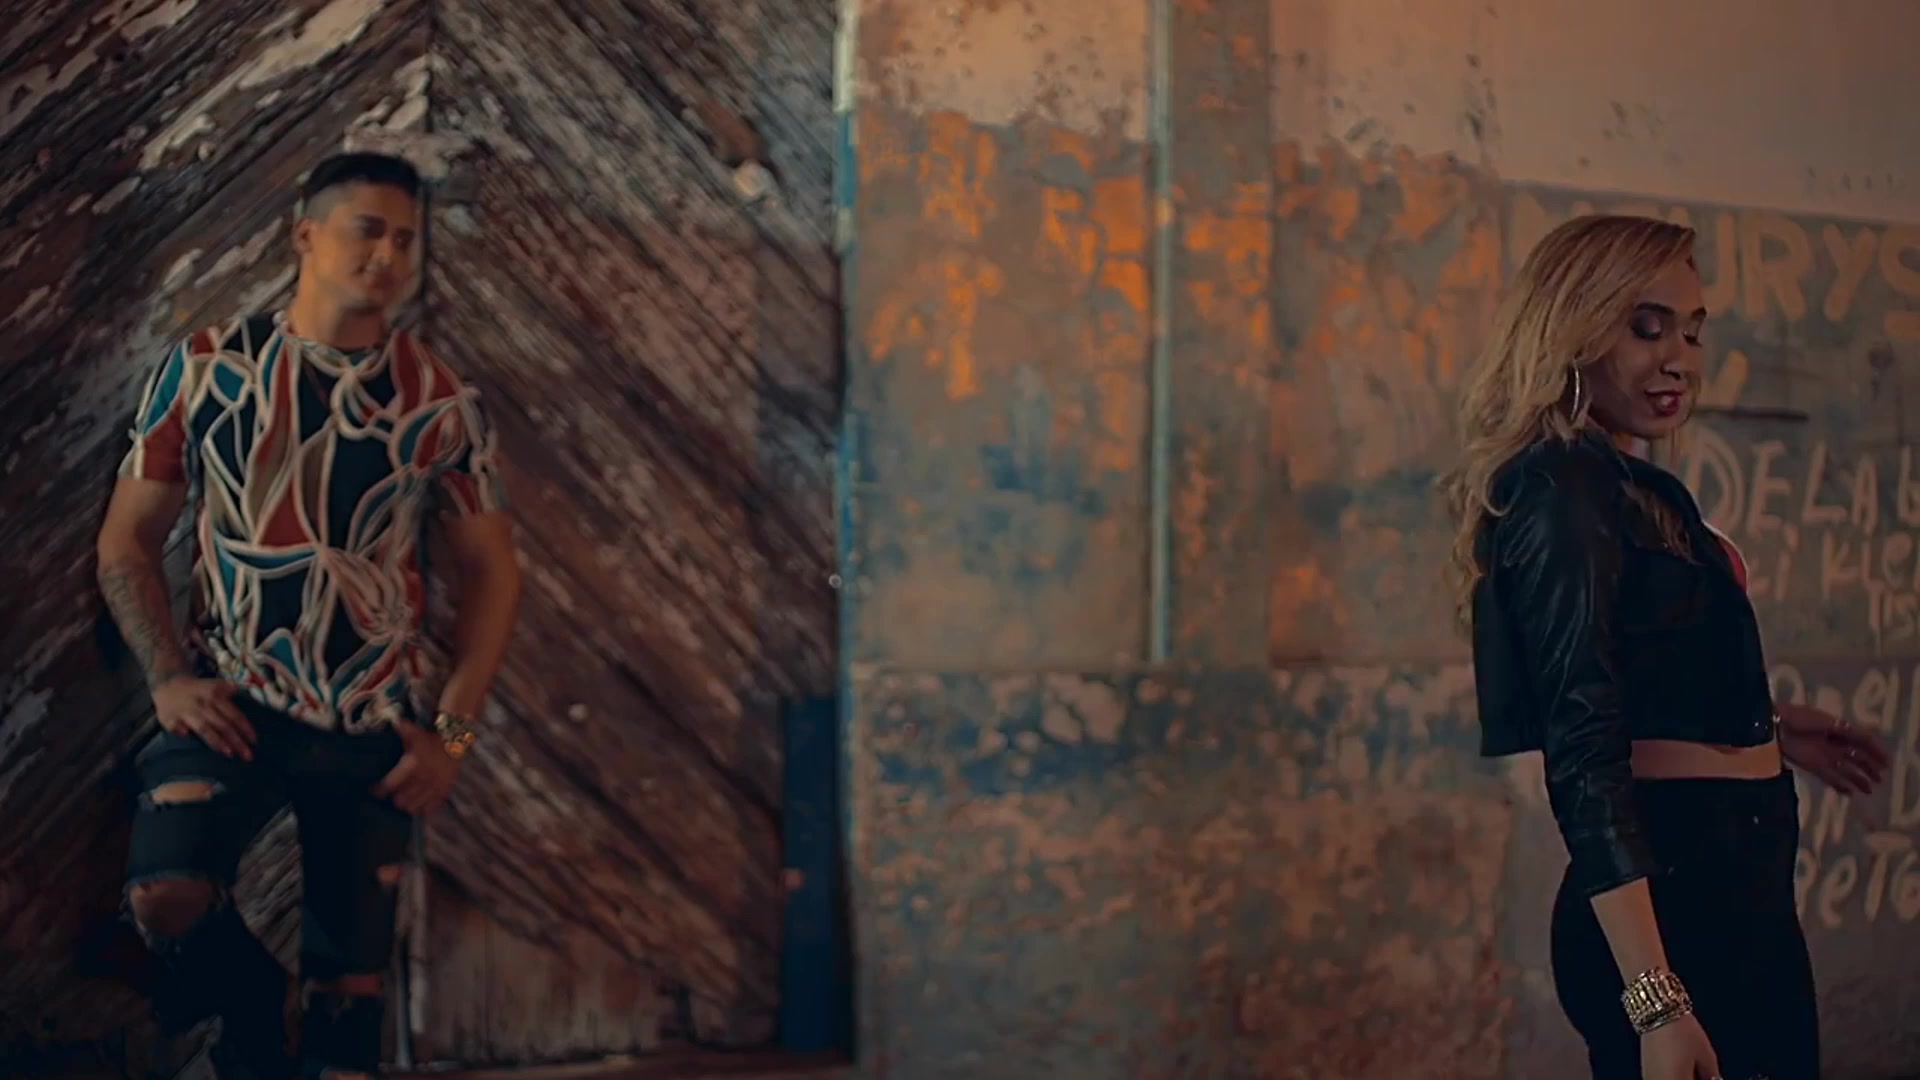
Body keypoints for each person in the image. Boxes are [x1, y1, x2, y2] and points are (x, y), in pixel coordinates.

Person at [95, 151, 523, 1078]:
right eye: (368, 230)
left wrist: (451, 738)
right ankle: (256, 1002)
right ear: (306, 235)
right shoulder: (206, 369)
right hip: (231, 701)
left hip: (373, 724)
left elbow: (493, 572)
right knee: (166, 894)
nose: (389, 255)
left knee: (349, 1002)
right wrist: (166, 677)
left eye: (405, 238)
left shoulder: (440, 399)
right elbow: (128, 539)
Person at [1444, 214, 1891, 1080]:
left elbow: (1645, 676)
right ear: (1574, 328)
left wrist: (1767, 729)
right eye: (1646, 328)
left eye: (1692, 331)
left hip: (1736, 901)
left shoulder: (1626, 483)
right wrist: (1657, 1001)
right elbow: (1583, 755)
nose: (1680, 357)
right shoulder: (1562, 485)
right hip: (1676, 917)